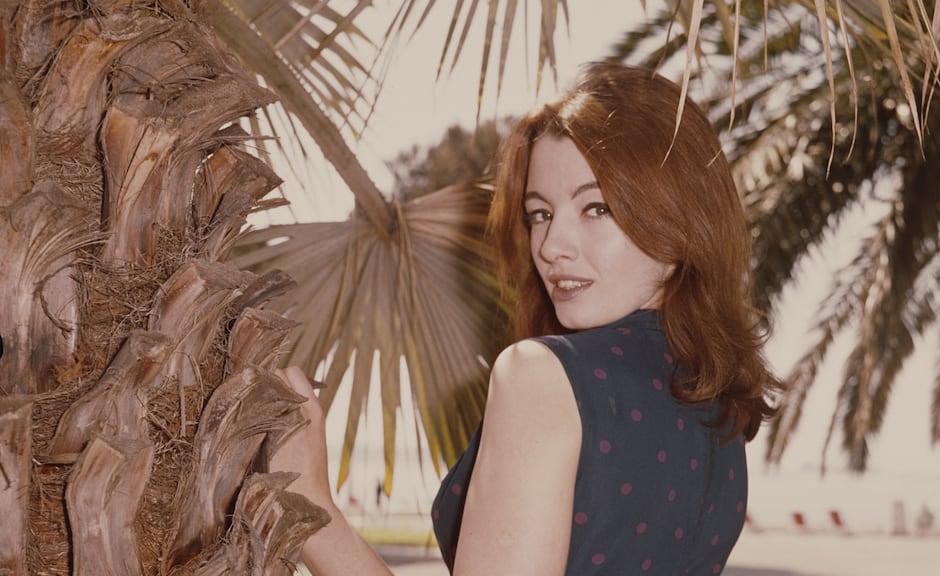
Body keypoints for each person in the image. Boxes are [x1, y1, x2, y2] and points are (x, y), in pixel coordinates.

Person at [270, 62, 783, 575]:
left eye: (597, 208)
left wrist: (310, 505)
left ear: (680, 219)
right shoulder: (717, 404)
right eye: (540, 214)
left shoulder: (543, 375)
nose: (552, 246)